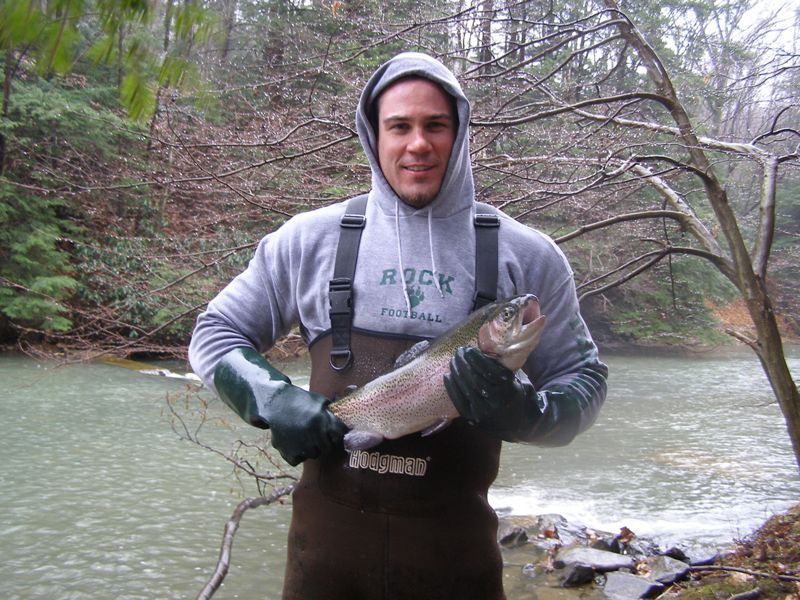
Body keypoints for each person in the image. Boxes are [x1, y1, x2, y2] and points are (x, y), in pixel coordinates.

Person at [188, 52, 607, 600]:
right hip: (324, 568)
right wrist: (268, 398)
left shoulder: (526, 255)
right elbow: (214, 332)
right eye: (399, 126)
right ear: (372, 134)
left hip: (457, 569)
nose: (418, 144)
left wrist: (532, 414)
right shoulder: (307, 241)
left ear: (459, 133)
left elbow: (584, 377)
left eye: (436, 125)